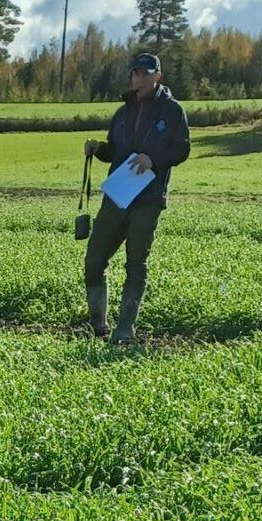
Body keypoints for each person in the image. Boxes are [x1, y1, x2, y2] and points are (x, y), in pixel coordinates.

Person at [81, 51, 192, 345]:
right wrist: (98, 149)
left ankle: (125, 329)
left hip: (148, 198)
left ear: (158, 77)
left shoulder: (172, 111)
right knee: (94, 259)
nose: (139, 79)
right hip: (117, 195)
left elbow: (182, 149)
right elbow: (115, 153)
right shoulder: (122, 113)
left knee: (135, 263)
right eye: (135, 74)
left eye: (145, 73)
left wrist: (152, 158)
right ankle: (97, 325)